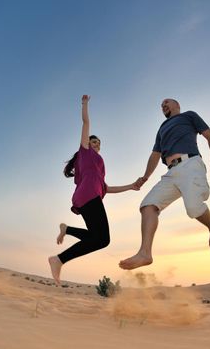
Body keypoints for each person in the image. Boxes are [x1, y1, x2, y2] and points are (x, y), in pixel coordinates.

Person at [119, 98, 210, 270]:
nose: (163, 105)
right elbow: (155, 155)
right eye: (161, 105)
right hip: (170, 172)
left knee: (193, 209)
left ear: (177, 105)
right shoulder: (161, 128)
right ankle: (145, 253)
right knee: (147, 205)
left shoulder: (189, 116)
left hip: (190, 164)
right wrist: (144, 177)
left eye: (166, 102)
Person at [49, 95, 139, 285]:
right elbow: (86, 122)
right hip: (88, 197)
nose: (96, 144)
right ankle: (59, 259)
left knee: (100, 239)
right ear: (87, 144)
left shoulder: (99, 167)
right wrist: (85, 104)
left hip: (88, 198)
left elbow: (107, 189)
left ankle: (66, 233)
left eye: (98, 142)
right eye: (93, 141)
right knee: (102, 238)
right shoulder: (85, 153)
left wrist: (131, 186)